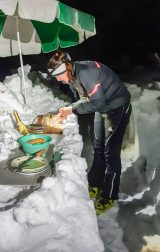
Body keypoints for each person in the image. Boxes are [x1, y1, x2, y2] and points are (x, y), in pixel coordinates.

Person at [47, 50, 132, 215]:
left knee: (111, 152)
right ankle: (94, 183)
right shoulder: (72, 77)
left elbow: (98, 103)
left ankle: (109, 195)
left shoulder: (87, 74)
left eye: (58, 74)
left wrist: (73, 111)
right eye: (54, 76)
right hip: (104, 106)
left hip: (117, 107)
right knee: (98, 145)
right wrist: (70, 108)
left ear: (68, 67)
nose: (58, 79)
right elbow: (86, 98)